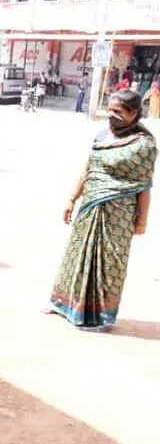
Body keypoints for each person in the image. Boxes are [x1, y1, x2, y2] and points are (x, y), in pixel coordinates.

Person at [48, 90, 156, 331]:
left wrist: (142, 223)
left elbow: (144, 187)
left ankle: (98, 316)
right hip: (90, 205)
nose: (112, 115)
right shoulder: (101, 135)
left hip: (119, 214)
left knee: (109, 264)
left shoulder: (143, 145)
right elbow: (88, 168)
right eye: (110, 109)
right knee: (77, 254)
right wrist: (71, 199)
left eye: (118, 111)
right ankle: (63, 304)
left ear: (134, 113)